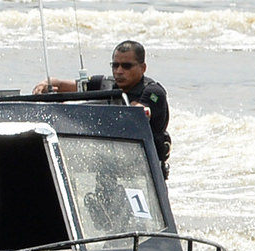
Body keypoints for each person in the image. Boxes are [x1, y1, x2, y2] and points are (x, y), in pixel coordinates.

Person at [34, 41, 172, 177]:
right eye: (115, 65)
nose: (119, 71)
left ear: (143, 68)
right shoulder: (105, 84)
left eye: (126, 66)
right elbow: (66, 85)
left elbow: (136, 115)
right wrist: (46, 84)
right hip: (108, 166)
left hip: (145, 170)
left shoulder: (153, 92)